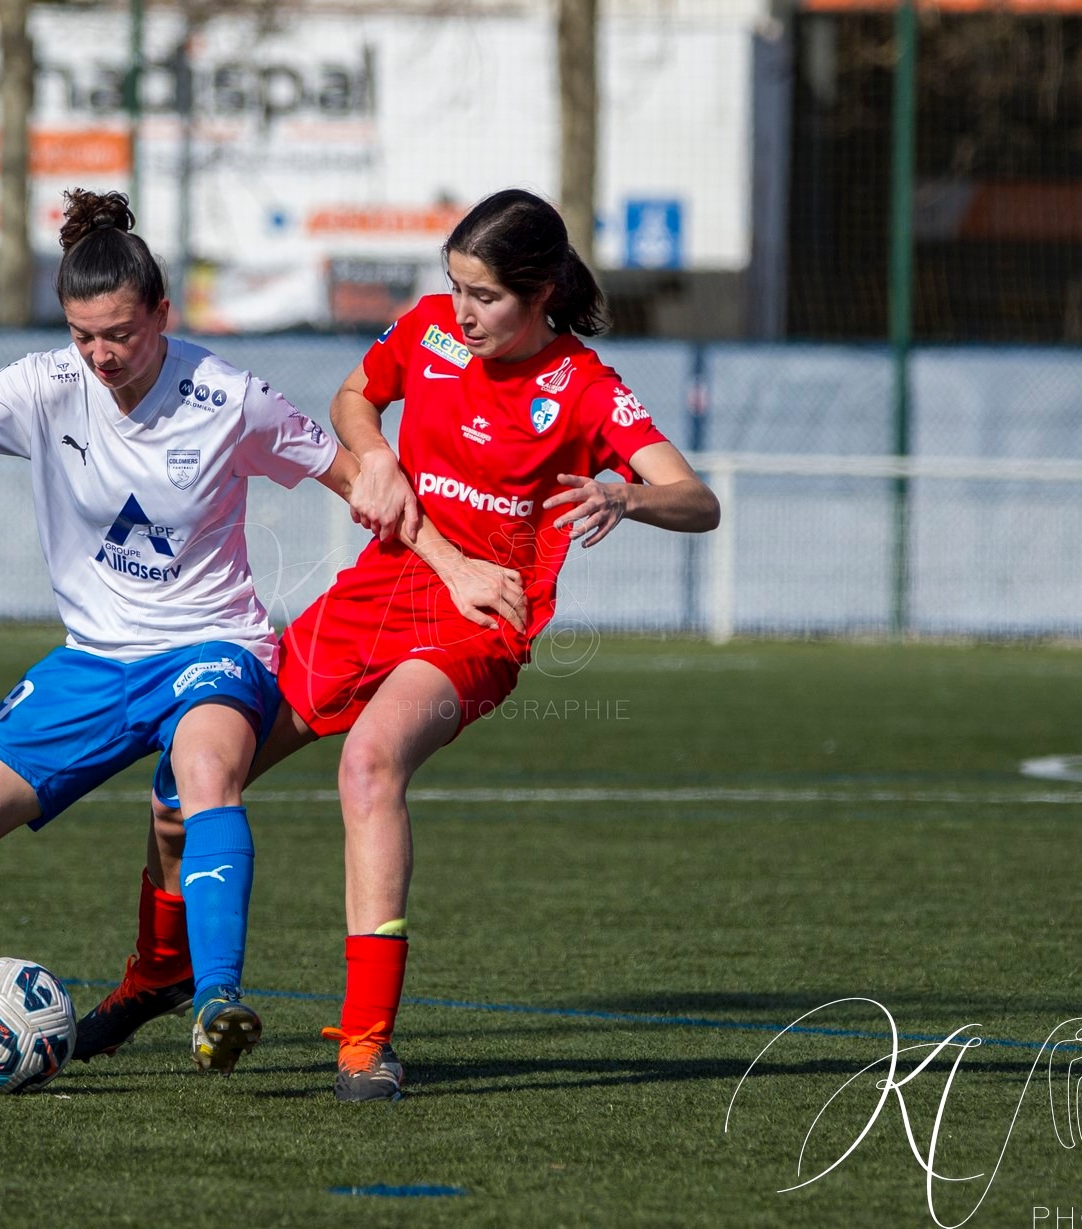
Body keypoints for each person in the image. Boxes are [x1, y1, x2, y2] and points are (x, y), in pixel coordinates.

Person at [77, 188, 721, 1102]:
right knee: (189, 777)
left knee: (370, 764)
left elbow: (698, 499)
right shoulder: (427, 331)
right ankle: (159, 973)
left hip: (480, 615)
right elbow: (352, 398)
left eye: (486, 296)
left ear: (541, 295)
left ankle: (365, 1042)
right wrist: (372, 450)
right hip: (374, 592)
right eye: (455, 286)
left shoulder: (585, 386)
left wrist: (627, 495)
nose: (463, 311)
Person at [0, 188, 360, 1083]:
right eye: (82, 334)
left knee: (204, 777)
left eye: (120, 334)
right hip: (93, 663)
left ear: (162, 316)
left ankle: (216, 998)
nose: (101, 355)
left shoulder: (228, 396)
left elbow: (349, 472)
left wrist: (413, 520)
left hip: (210, 647)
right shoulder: (44, 385)